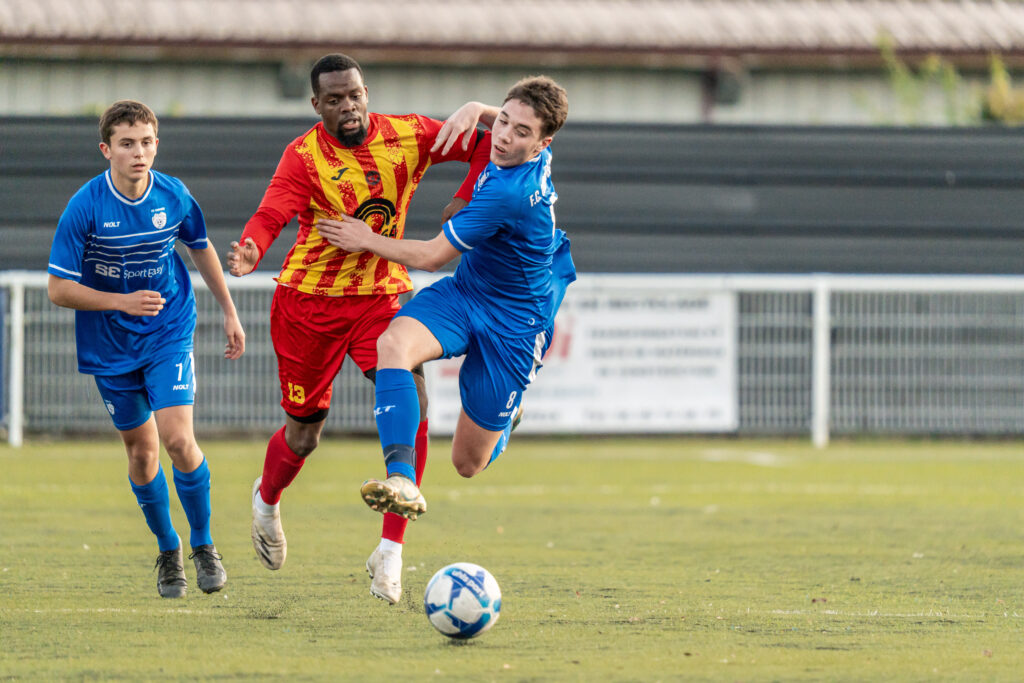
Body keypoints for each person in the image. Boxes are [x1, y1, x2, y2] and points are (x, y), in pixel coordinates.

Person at [226, 53, 492, 605]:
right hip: (309, 306)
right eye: (335, 99)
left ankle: (390, 552)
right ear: (316, 104)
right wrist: (252, 246)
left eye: (355, 95)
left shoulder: (409, 134)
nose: (348, 106)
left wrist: (467, 196)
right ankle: (267, 499)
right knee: (304, 434)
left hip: (381, 297)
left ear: (366, 92)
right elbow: (272, 213)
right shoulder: (303, 157)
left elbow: (486, 144)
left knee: (414, 394)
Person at [317, 76, 574, 520]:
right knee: (393, 344)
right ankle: (401, 479)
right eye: (503, 121)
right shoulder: (530, 148)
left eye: (520, 132)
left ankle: (508, 418)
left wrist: (366, 238)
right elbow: (508, 120)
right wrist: (477, 108)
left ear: (541, 144)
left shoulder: (510, 194)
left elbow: (431, 257)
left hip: (517, 324)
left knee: (466, 463)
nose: (503, 137)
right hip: (467, 293)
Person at [47, 100, 246, 599]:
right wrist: (121, 301)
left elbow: (200, 247)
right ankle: (168, 549)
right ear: (106, 150)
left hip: (167, 330)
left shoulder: (173, 195)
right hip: (109, 343)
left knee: (177, 439)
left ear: (157, 144)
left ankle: (204, 544)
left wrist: (229, 310)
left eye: (146, 142)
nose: (139, 152)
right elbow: (58, 289)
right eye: (127, 144)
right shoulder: (85, 206)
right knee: (141, 452)